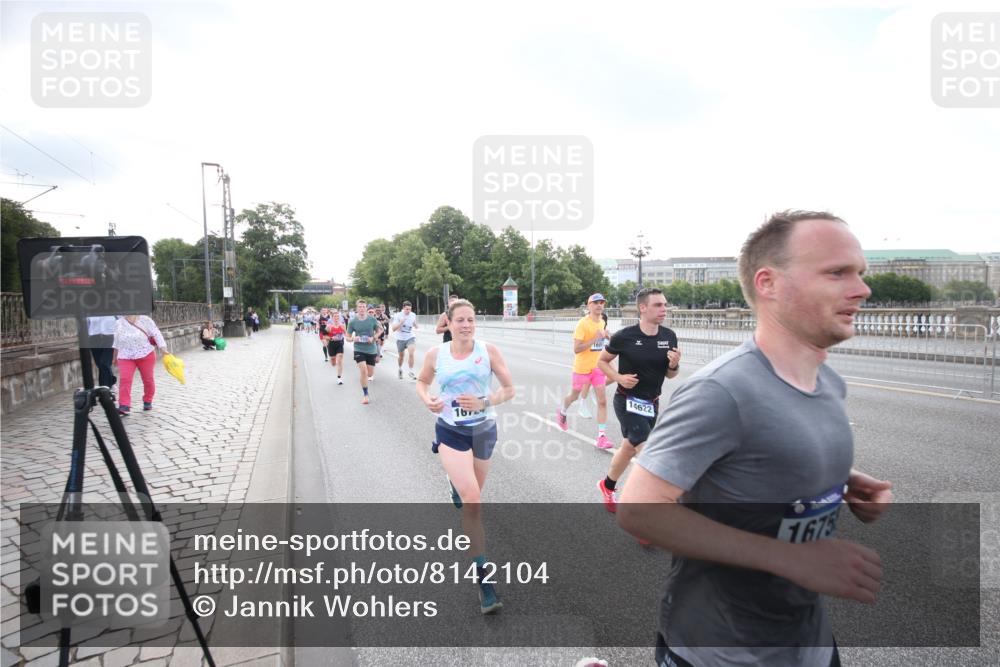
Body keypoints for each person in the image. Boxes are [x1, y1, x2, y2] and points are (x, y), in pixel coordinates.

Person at [618, 211, 893, 667]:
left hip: (808, 644)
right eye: (837, 272)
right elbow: (638, 511)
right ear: (768, 283)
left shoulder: (828, 382)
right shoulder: (721, 391)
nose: (862, 288)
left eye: (860, 273)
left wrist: (841, 480)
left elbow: (763, 450)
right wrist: (789, 559)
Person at [415, 298, 515, 614]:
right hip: (450, 430)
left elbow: (509, 389)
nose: (467, 325)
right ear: (448, 322)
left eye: (471, 319)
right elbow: (422, 382)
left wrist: (484, 402)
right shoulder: (436, 354)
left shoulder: (489, 351)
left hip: (484, 430)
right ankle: (484, 580)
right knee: (473, 500)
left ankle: (455, 484)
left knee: (471, 494)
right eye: (460, 320)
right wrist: (427, 399)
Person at [595, 288, 680, 515]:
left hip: (651, 403)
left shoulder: (669, 336)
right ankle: (650, 511)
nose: (664, 309)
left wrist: (674, 365)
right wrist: (618, 377)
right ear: (643, 308)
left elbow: (671, 375)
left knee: (628, 449)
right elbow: (602, 362)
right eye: (658, 305)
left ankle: (607, 485)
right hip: (627, 401)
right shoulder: (625, 336)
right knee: (647, 452)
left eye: (665, 304)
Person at [556, 293, 614, 449]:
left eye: (602, 302)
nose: (599, 305)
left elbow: (600, 343)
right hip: (582, 368)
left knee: (602, 401)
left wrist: (607, 337)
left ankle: (601, 437)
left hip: (597, 368)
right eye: (596, 302)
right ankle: (562, 411)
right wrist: (595, 338)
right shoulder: (582, 324)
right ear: (589, 305)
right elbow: (577, 349)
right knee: (574, 396)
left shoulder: (602, 322)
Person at [112, 313, 169, 415]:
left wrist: (163, 349)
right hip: (125, 356)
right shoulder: (118, 323)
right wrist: (114, 357)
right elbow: (116, 342)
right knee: (125, 379)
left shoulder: (145, 319)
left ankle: (148, 400)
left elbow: (156, 334)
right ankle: (124, 405)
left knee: (148, 380)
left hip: (146, 354)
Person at [346, 299, 383, 404]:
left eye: (363, 307)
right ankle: (365, 394)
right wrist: (353, 338)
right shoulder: (353, 321)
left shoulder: (372, 319)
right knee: (363, 371)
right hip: (359, 349)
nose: (362, 309)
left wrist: (374, 338)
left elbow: (380, 330)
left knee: (370, 374)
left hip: (371, 349)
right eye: (360, 307)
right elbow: (347, 337)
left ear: (366, 308)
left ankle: (366, 382)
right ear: (357, 308)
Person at [576, 311, 610, 418]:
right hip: (590, 360)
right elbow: (578, 347)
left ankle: (594, 388)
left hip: (602, 356)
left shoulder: (603, 329)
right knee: (588, 381)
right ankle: (582, 405)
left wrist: (608, 337)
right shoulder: (588, 327)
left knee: (614, 375)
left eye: (602, 319)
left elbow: (608, 343)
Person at [87, 315, 118, 394]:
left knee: (104, 363)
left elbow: (120, 320)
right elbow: (86, 323)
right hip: (94, 338)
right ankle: (111, 382)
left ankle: (104, 389)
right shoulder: (89, 311)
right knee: (100, 365)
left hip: (110, 337)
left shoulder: (113, 309)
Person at [392, 300, 419, 380]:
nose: (408, 311)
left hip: (410, 337)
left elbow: (414, 323)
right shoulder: (398, 315)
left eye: (410, 309)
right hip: (400, 338)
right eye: (407, 309)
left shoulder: (413, 315)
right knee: (401, 356)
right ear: (403, 308)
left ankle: (411, 371)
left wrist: (416, 326)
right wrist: (401, 323)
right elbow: (393, 329)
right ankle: (400, 369)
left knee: (411, 353)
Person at [326, 309, 347, 384]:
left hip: (339, 343)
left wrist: (351, 338)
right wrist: (331, 338)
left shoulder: (342, 325)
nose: (336, 318)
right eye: (335, 316)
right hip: (331, 344)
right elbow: (325, 336)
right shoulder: (329, 326)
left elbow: (346, 334)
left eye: (338, 316)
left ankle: (339, 378)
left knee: (340, 360)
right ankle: (333, 360)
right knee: (333, 362)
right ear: (332, 317)